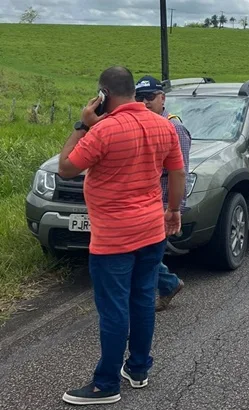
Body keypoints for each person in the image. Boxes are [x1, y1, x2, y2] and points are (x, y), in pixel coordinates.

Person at [58, 66, 186, 406]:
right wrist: (173, 211)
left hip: (113, 237)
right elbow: (176, 171)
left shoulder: (103, 131)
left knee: (114, 310)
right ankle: (139, 369)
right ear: (133, 91)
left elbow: (66, 166)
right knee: (143, 299)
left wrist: (83, 124)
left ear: (104, 95)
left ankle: (105, 384)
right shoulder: (164, 126)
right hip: (152, 228)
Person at [135, 75, 190, 312]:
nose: (145, 103)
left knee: (143, 252)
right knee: (144, 252)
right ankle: (167, 284)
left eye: (150, 97)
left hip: (164, 203)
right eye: (140, 98)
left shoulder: (174, 127)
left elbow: (180, 171)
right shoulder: (139, 124)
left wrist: (174, 208)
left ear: (162, 98)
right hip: (142, 203)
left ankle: (166, 285)